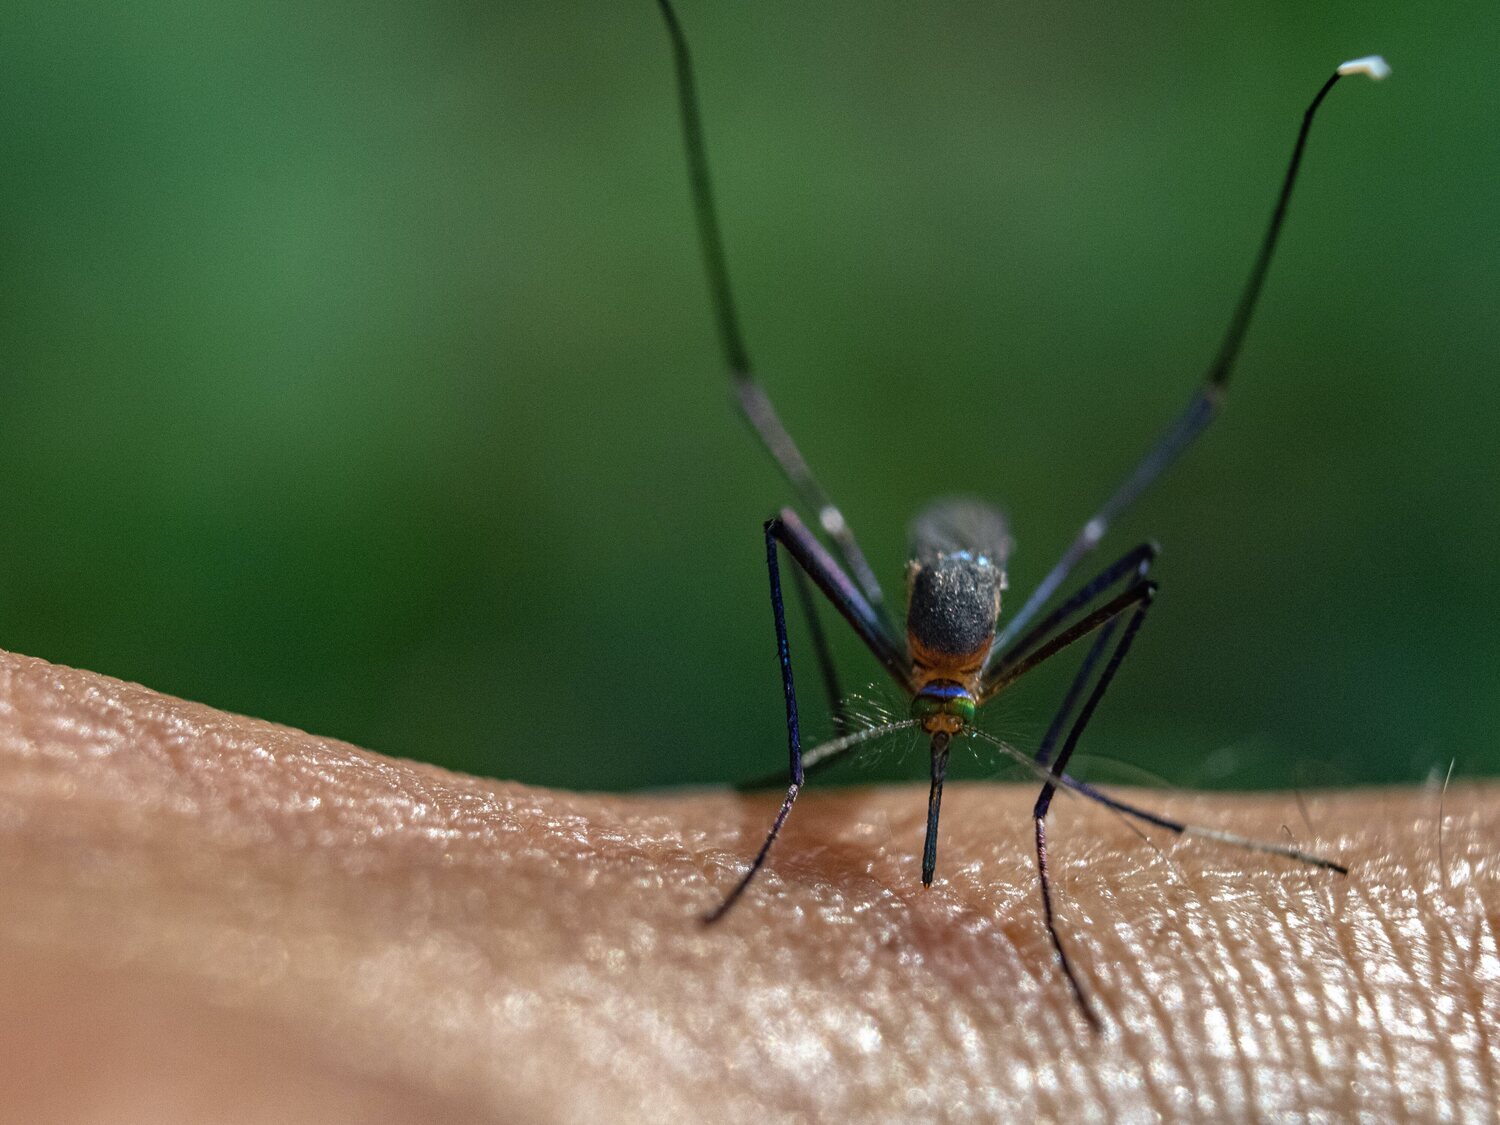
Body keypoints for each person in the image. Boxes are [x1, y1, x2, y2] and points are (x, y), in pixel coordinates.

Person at [0, 649, 1489, 1122]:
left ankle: (1056, 811)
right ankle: (799, 791)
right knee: (792, 514)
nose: (938, 743)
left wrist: (1048, 809)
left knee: (1133, 547)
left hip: (988, 651)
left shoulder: (974, 705)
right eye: (940, 725)